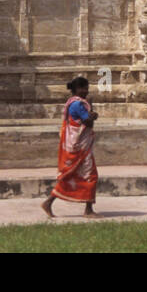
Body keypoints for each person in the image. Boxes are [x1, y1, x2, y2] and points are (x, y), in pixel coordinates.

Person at [41, 76, 99, 218]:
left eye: (87, 88)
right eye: (83, 88)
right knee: (90, 175)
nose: (86, 91)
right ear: (76, 89)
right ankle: (88, 210)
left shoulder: (74, 103)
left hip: (77, 147)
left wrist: (91, 113)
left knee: (72, 176)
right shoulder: (77, 105)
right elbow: (88, 122)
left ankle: (50, 202)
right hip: (79, 148)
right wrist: (93, 115)